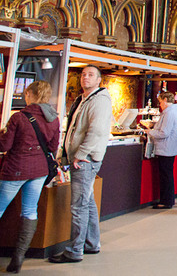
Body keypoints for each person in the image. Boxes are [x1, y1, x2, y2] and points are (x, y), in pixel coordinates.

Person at [49, 65, 113, 264]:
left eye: (91, 75)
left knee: (79, 206)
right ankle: (92, 243)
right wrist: (64, 153)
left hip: (85, 161)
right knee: (88, 202)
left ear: (98, 80)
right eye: (83, 74)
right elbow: (72, 129)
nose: (86, 77)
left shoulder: (99, 101)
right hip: (79, 157)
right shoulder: (83, 99)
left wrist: (80, 154)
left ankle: (75, 250)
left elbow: (96, 131)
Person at [0, 81, 59, 273]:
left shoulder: (18, 117)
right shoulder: (54, 119)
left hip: (16, 169)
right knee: (29, 211)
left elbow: (4, 146)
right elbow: (53, 147)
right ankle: (18, 257)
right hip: (39, 170)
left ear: (29, 94)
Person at [145, 91, 177, 209]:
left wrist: (149, 132)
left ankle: (166, 201)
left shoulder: (169, 113)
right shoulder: (174, 111)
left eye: (160, 102)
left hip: (166, 148)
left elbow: (164, 132)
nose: (160, 104)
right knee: (167, 175)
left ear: (165, 100)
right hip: (169, 148)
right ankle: (167, 200)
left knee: (166, 176)